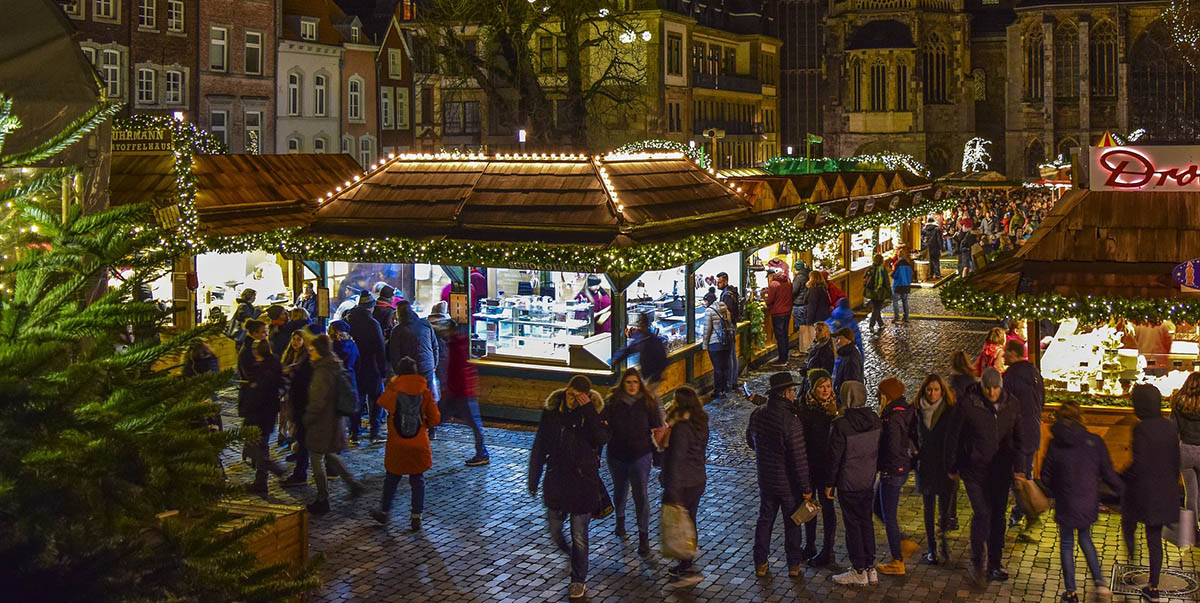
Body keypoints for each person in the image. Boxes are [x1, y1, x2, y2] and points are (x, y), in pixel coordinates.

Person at [528, 375, 610, 600]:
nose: (572, 400)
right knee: (555, 530)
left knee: (579, 536)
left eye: (578, 397)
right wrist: (533, 479)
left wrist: (588, 411)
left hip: (583, 484)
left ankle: (578, 579)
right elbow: (539, 446)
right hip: (556, 481)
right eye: (570, 394)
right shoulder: (553, 412)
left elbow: (602, 438)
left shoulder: (592, 414)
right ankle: (573, 556)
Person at [947, 367, 1027, 587]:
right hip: (974, 470)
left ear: (1001, 387)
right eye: (988, 388)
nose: (992, 393)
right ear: (982, 387)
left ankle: (995, 563)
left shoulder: (1012, 405)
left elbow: (1019, 439)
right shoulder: (968, 405)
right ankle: (978, 562)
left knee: (998, 517)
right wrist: (953, 466)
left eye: (995, 388)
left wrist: (1019, 468)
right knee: (982, 514)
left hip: (1000, 470)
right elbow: (954, 437)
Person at [1041, 400, 1121, 603]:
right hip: (1087, 499)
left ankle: (1071, 593)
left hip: (1066, 501)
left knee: (1067, 543)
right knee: (1086, 538)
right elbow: (1108, 472)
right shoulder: (1094, 441)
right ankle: (1100, 584)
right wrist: (1124, 492)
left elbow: (1045, 477)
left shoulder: (1054, 442)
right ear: (1080, 417)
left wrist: (1056, 491)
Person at [746, 371, 813, 577]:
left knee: (765, 520)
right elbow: (798, 458)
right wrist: (806, 489)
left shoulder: (758, 413)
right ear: (784, 394)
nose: (794, 394)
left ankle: (761, 564)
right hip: (788, 485)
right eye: (792, 390)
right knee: (792, 523)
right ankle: (793, 565)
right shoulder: (791, 420)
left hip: (766, 479)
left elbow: (751, 440)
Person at [1122, 384, 1180, 603]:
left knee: (1128, 520)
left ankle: (1131, 554)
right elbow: (1176, 461)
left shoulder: (1141, 429)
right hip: (1164, 491)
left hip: (1144, 491)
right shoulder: (1169, 427)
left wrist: (1120, 477)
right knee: (1154, 539)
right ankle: (1153, 586)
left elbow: (1139, 463)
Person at [370, 356, 441, 531]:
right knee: (417, 480)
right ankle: (416, 516)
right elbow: (435, 419)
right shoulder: (424, 392)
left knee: (392, 479)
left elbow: (381, 402)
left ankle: (384, 512)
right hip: (418, 443)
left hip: (397, 443)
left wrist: (392, 384)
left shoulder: (394, 390)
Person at [601, 368, 664, 556]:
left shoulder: (647, 403)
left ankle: (643, 536)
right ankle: (620, 521)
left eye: (634, 382)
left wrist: (658, 455)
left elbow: (657, 428)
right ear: (623, 384)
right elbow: (603, 427)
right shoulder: (613, 403)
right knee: (619, 490)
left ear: (639, 384)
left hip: (641, 454)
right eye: (628, 382)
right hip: (617, 454)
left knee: (641, 494)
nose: (631, 386)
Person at [304, 334, 366, 515]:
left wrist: (308, 418)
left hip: (322, 422)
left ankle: (323, 498)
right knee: (330, 453)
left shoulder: (322, 371)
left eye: (312, 350)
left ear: (319, 351)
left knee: (316, 458)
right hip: (335, 420)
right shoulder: (334, 365)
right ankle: (353, 484)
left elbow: (317, 400)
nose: (310, 353)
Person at [830, 381, 883, 586]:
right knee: (866, 522)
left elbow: (835, 457)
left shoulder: (841, 425)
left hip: (848, 482)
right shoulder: (875, 420)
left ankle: (858, 570)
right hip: (868, 479)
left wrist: (829, 484)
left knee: (853, 525)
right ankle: (870, 567)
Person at [660, 386, 710, 588]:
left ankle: (686, 564)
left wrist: (673, 489)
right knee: (690, 520)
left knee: (680, 523)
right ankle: (686, 563)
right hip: (698, 479)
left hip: (683, 482)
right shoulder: (701, 423)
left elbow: (677, 459)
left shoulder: (681, 427)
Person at [794, 368, 838, 567]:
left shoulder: (836, 409)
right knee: (809, 507)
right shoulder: (805, 410)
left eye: (828, 386)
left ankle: (828, 551)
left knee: (828, 509)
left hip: (828, 468)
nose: (826, 390)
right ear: (813, 388)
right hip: (811, 466)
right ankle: (809, 545)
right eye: (821, 386)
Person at [875, 377, 919, 576]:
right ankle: (902, 542)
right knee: (877, 506)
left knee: (889, 516)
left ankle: (897, 560)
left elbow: (892, 447)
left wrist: (880, 464)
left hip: (892, 471)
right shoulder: (905, 411)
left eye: (880, 395)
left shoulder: (891, 418)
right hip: (900, 468)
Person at [1002, 339, 1045, 539]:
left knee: (1018, 477)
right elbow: (1042, 400)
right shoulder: (1035, 373)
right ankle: (1023, 513)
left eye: (1005, 353)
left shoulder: (1009, 377)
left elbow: (1005, 408)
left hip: (1017, 434)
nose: (1003, 356)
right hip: (1034, 429)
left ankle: (1025, 513)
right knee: (1024, 473)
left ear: (1013, 353)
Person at [914, 373, 958, 565]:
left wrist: (955, 465)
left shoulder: (950, 411)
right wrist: (913, 449)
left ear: (942, 391)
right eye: (929, 390)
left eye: (936, 390)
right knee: (928, 508)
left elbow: (957, 439)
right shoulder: (916, 410)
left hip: (945, 466)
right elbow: (910, 434)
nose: (932, 393)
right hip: (925, 465)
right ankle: (932, 547)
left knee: (945, 510)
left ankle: (944, 543)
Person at [240, 339, 288, 495]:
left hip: (259, 415)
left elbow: (257, 396)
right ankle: (261, 482)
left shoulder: (263, 370)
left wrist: (247, 408)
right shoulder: (274, 364)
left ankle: (270, 470)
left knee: (257, 448)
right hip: (268, 414)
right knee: (261, 446)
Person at [442, 322, 491, 466]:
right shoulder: (461, 345)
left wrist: (451, 389)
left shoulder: (456, 347)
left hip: (460, 392)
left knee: (474, 424)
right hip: (461, 391)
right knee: (439, 417)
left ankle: (482, 453)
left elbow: (458, 372)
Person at [345, 291, 387, 443]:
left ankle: (354, 432)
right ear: (370, 307)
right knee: (375, 400)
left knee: (357, 400)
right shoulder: (372, 323)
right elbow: (380, 349)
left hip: (355, 367)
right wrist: (383, 371)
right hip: (371, 367)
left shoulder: (348, 320)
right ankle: (374, 432)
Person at [280, 330, 316, 486]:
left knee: (310, 443)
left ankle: (301, 473)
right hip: (301, 405)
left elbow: (303, 384)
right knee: (304, 441)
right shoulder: (301, 358)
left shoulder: (309, 361)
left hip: (305, 406)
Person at [388, 299, 440, 397]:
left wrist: (397, 372)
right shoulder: (425, 323)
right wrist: (434, 363)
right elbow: (435, 345)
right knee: (426, 395)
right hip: (427, 366)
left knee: (412, 397)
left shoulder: (397, 330)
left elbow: (394, 353)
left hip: (409, 369)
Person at [1174, 372, 1200, 539]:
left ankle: (1192, 530)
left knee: (1191, 492)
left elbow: (1173, 429)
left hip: (1185, 450)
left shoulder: (1178, 401)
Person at [611, 313, 668, 389]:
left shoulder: (654, 341)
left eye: (641, 324)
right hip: (648, 375)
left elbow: (662, 360)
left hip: (652, 377)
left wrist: (656, 375)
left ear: (646, 325)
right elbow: (629, 349)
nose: (639, 327)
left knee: (649, 395)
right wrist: (617, 358)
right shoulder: (643, 337)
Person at [700, 288, 733, 398]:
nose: (704, 303)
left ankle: (718, 390)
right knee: (725, 367)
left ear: (708, 301)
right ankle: (725, 388)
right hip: (727, 342)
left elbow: (707, 330)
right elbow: (729, 322)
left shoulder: (709, 311)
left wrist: (705, 345)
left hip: (715, 344)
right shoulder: (724, 308)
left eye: (705, 301)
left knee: (718, 368)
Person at [716, 271, 742, 392]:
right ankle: (733, 380)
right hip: (732, 326)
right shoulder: (732, 292)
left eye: (720, 282)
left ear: (725, 281)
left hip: (729, 327)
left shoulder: (727, 295)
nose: (718, 284)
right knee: (732, 355)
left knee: (730, 355)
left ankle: (731, 382)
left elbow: (726, 313)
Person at [763, 266, 793, 366]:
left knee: (779, 337)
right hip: (787, 311)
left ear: (772, 275)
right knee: (785, 335)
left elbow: (770, 299)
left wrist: (766, 300)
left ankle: (782, 360)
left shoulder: (773, 284)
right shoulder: (787, 281)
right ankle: (785, 357)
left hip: (778, 313)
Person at [803, 322, 835, 397]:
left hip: (816, 385)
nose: (816, 333)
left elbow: (825, 372)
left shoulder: (826, 351)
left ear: (826, 333)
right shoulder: (816, 347)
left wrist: (808, 372)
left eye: (820, 331)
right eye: (815, 330)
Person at [832, 327, 863, 396]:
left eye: (839, 338)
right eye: (836, 338)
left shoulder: (851, 359)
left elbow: (851, 385)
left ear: (848, 340)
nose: (836, 342)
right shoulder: (846, 354)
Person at [863, 254, 890, 332]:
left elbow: (865, 279)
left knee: (876, 307)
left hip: (871, 292)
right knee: (877, 308)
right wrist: (888, 292)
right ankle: (871, 324)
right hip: (880, 292)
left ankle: (881, 324)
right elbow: (886, 281)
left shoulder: (869, 269)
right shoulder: (882, 270)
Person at [791, 259, 811, 355]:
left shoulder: (799, 277)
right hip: (805, 304)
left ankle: (802, 348)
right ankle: (806, 347)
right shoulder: (807, 275)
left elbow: (794, 291)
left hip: (798, 304)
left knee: (801, 328)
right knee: (805, 326)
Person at [890, 248, 914, 325]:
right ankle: (906, 317)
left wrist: (892, 273)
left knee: (895, 301)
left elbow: (895, 276)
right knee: (905, 301)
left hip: (898, 285)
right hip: (906, 285)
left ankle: (896, 316)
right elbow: (911, 276)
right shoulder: (908, 264)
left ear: (898, 255)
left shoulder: (897, 264)